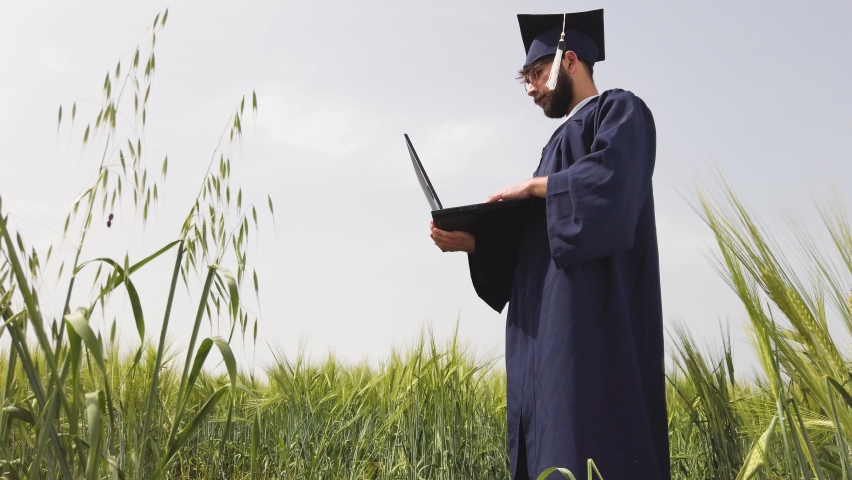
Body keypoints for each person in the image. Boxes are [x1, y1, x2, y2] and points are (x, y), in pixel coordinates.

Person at [429, 9, 670, 480]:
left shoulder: (620, 112)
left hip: (592, 337)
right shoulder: (555, 147)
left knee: (590, 441)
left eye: (538, 73)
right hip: (547, 344)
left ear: (571, 60)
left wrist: (535, 187)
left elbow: (611, 186)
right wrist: (474, 244)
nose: (532, 89)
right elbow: (537, 253)